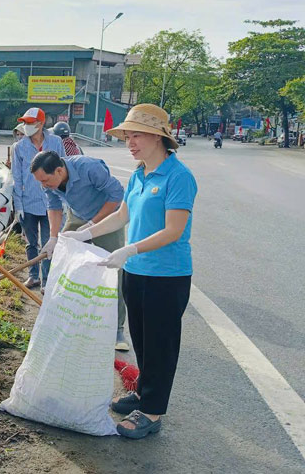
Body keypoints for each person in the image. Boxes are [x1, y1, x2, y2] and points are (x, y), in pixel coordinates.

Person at [62, 103, 197, 439]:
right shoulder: (139, 175)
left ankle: (151, 412)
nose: (130, 142)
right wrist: (85, 233)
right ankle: (143, 392)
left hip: (167, 275)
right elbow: (122, 216)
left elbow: (173, 230)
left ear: (158, 138)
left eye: (136, 135)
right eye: (127, 136)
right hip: (135, 271)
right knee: (140, 337)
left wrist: (129, 248)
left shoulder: (179, 177)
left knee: (161, 343)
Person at [30, 151, 129, 350]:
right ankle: (61, 318)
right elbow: (54, 206)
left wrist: (93, 224)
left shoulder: (89, 168)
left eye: (46, 180)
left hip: (106, 218)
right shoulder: (50, 181)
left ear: (59, 170)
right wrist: (53, 237)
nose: (44, 185)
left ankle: (116, 329)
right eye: (40, 182)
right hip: (77, 216)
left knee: (113, 271)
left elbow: (117, 195)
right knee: (60, 260)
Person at [11, 108, 64, 288]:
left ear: (40, 124)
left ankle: (47, 281)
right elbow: (16, 178)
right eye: (24, 123)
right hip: (28, 202)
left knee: (49, 243)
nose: (25, 126)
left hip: (53, 203)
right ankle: (33, 275)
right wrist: (18, 205)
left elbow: (63, 171)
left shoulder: (55, 142)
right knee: (31, 243)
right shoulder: (19, 147)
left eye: (29, 123)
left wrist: (64, 200)